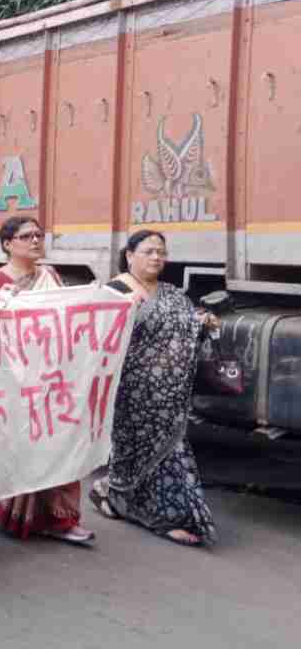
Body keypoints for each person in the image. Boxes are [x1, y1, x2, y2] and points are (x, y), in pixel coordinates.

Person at [91, 230, 218, 546]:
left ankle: (131, 501)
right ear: (129, 255)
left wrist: (203, 322)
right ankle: (145, 508)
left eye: (161, 252)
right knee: (134, 453)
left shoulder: (172, 293)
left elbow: (187, 327)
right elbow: (97, 338)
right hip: (132, 393)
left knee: (171, 453)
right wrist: (123, 312)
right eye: (148, 251)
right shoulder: (114, 291)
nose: (156, 257)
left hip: (170, 395)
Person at [0, 217, 95, 545]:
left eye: (38, 235)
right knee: (23, 448)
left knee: (60, 444)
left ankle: (64, 519)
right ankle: (19, 516)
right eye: (26, 236)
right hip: (17, 378)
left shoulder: (51, 277)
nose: (35, 240)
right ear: (7, 244)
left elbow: (68, 317)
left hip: (53, 375)